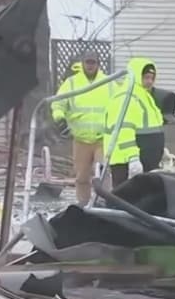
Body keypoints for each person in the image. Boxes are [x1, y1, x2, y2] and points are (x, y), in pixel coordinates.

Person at [51, 52, 110, 206]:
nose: (91, 66)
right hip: (80, 139)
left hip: (102, 139)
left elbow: (118, 104)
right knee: (82, 176)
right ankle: (83, 204)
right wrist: (59, 119)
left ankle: (103, 203)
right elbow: (58, 103)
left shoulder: (108, 82)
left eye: (94, 62)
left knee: (102, 174)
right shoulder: (71, 83)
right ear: (83, 63)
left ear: (99, 64)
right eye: (88, 62)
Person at [103, 56, 166, 187]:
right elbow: (125, 130)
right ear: (136, 75)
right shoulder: (126, 97)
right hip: (125, 161)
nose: (149, 82)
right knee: (125, 196)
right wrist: (133, 158)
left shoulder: (144, 95)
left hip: (144, 159)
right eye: (145, 77)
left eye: (151, 78)